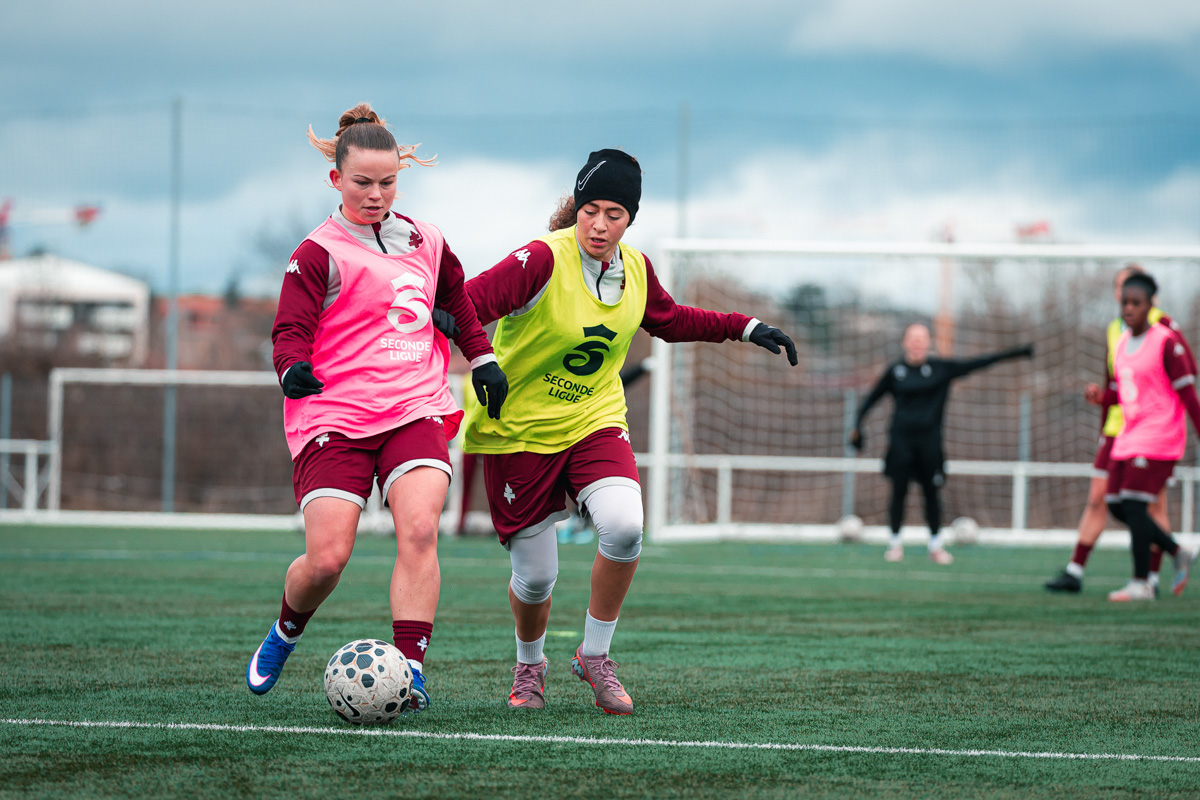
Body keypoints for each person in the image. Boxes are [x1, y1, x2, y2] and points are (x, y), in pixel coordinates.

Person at [453, 148, 796, 714]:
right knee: (536, 580)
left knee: (625, 526)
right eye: (591, 209)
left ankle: (595, 656)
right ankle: (529, 664)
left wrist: (744, 326)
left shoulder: (633, 267)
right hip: (521, 431)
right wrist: (479, 357)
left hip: (594, 420)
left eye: (615, 213)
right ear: (577, 208)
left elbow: (669, 319)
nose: (600, 224)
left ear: (630, 219)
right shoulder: (540, 259)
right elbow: (465, 305)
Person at [246, 104, 508, 712]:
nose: (376, 193)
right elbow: (290, 329)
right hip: (334, 416)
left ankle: (410, 671)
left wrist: (483, 359)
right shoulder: (317, 252)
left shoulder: (428, 240)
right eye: (362, 182)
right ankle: (286, 630)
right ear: (335, 179)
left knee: (419, 530)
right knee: (328, 558)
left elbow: (459, 308)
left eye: (387, 182)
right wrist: (291, 369)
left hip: (414, 406)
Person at [1045, 266, 1183, 594]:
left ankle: (1149, 578)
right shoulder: (1114, 330)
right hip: (1117, 428)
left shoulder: (1163, 325)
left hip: (1151, 431)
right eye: (1120, 289)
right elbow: (1116, 383)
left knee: (1151, 505)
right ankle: (1075, 571)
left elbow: (1178, 380)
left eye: (1131, 290)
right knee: (1100, 498)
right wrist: (1101, 406)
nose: (1125, 298)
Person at [849, 325, 1033, 564]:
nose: (917, 343)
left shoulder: (940, 369)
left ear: (928, 343)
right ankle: (894, 544)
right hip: (900, 441)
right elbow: (871, 399)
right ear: (905, 342)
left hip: (930, 443)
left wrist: (1017, 352)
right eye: (913, 339)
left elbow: (979, 362)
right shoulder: (896, 371)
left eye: (922, 339)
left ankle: (935, 546)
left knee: (932, 494)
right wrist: (857, 426)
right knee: (898, 492)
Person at [1100, 273, 1199, 602]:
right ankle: (1176, 551)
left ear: (1150, 305)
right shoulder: (1122, 343)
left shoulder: (1166, 341)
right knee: (1115, 504)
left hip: (1161, 434)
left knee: (1134, 503)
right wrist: (1099, 397)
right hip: (1130, 433)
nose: (1128, 308)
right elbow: (1119, 391)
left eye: (1135, 303)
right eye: (1124, 302)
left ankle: (1141, 583)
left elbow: (1188, 393)